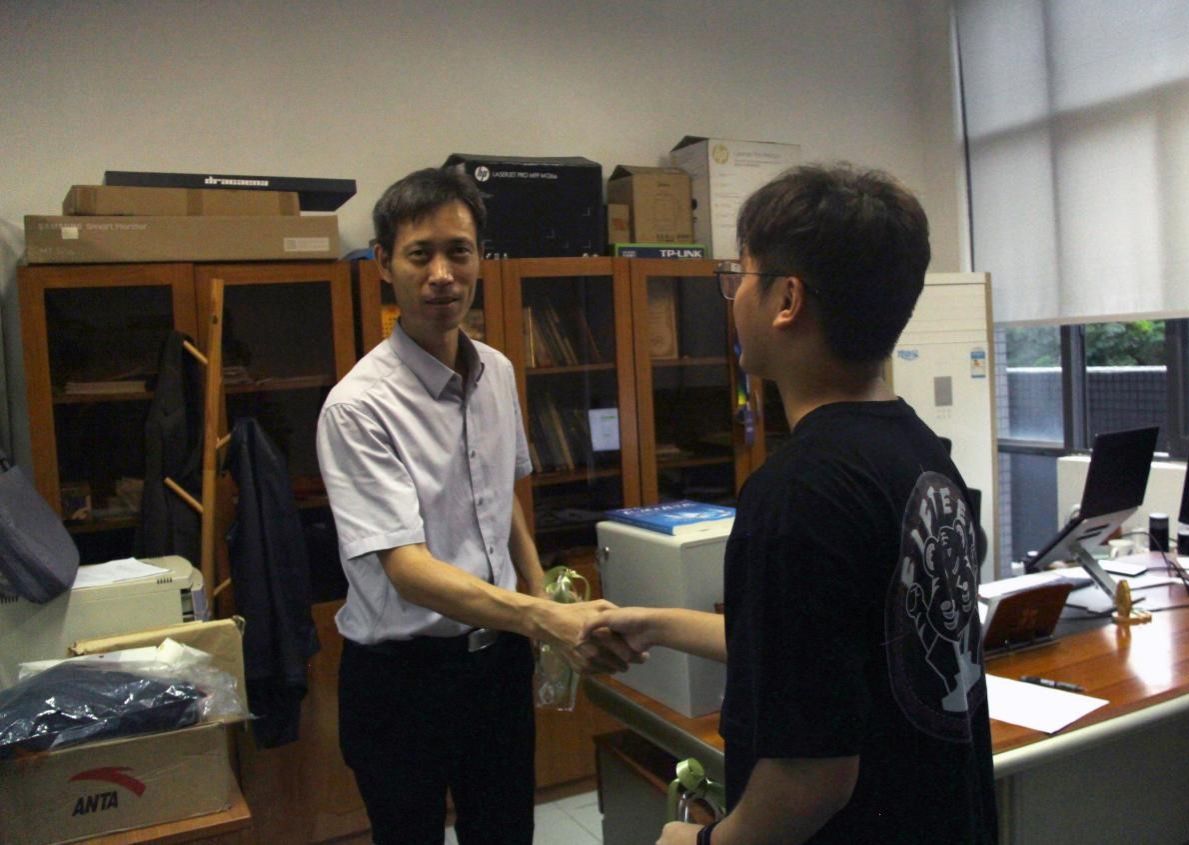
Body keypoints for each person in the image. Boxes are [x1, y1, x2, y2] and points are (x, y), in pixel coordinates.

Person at [583, 164, 997, 844]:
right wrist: (656, 624)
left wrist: (704, 843)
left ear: (786, 298)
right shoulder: (923, 454)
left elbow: (811, 779)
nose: (734, 295)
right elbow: (827, 650)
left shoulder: (798, 492)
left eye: (741, 274)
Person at [316, 167, 637, 845]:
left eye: (458, 251)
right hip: (401, 679)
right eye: (420, 254)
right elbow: (407, 570)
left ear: (480, 259)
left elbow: (500, 496)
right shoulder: (358, 407)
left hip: (495, 665)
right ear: (384, 264)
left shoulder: (497, 372)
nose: (442, 274)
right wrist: (541, 616)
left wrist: (538, 587)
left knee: (505, 831)